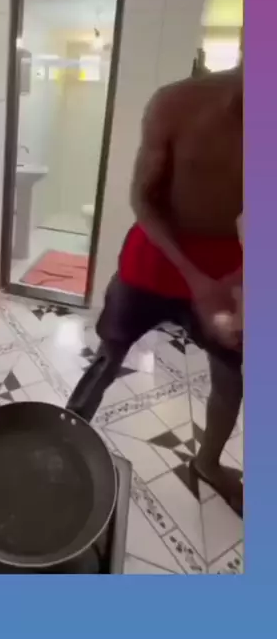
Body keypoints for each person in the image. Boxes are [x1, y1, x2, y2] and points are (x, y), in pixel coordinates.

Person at [67, 67, 243, 516]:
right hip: (152, 260)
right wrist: (196, 278)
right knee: (109, 354)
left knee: (232, 375)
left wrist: (241, 275)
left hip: (226, 268)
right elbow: (142, 199)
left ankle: (207, 463)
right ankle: (67, 440)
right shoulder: (176, 102)